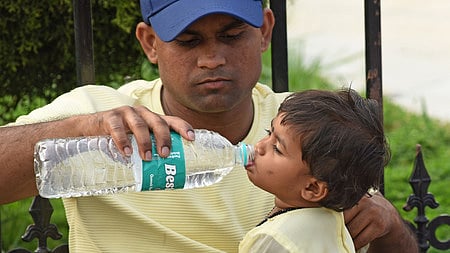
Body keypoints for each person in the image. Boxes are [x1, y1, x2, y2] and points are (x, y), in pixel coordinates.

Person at [0, 0, 418, 252]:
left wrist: (389, 226)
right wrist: (76, 132)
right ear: (149, 43)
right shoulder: (99, 113)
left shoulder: (306, 125)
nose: (212, 59)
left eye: (232, 35)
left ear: (265, 31)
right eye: (189, 41)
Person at [239, 89, 390, 252]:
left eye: (277, 148)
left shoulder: (276, 240)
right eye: (269, 133)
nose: (260, 146)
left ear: (312, 188)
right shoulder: (335, 224)